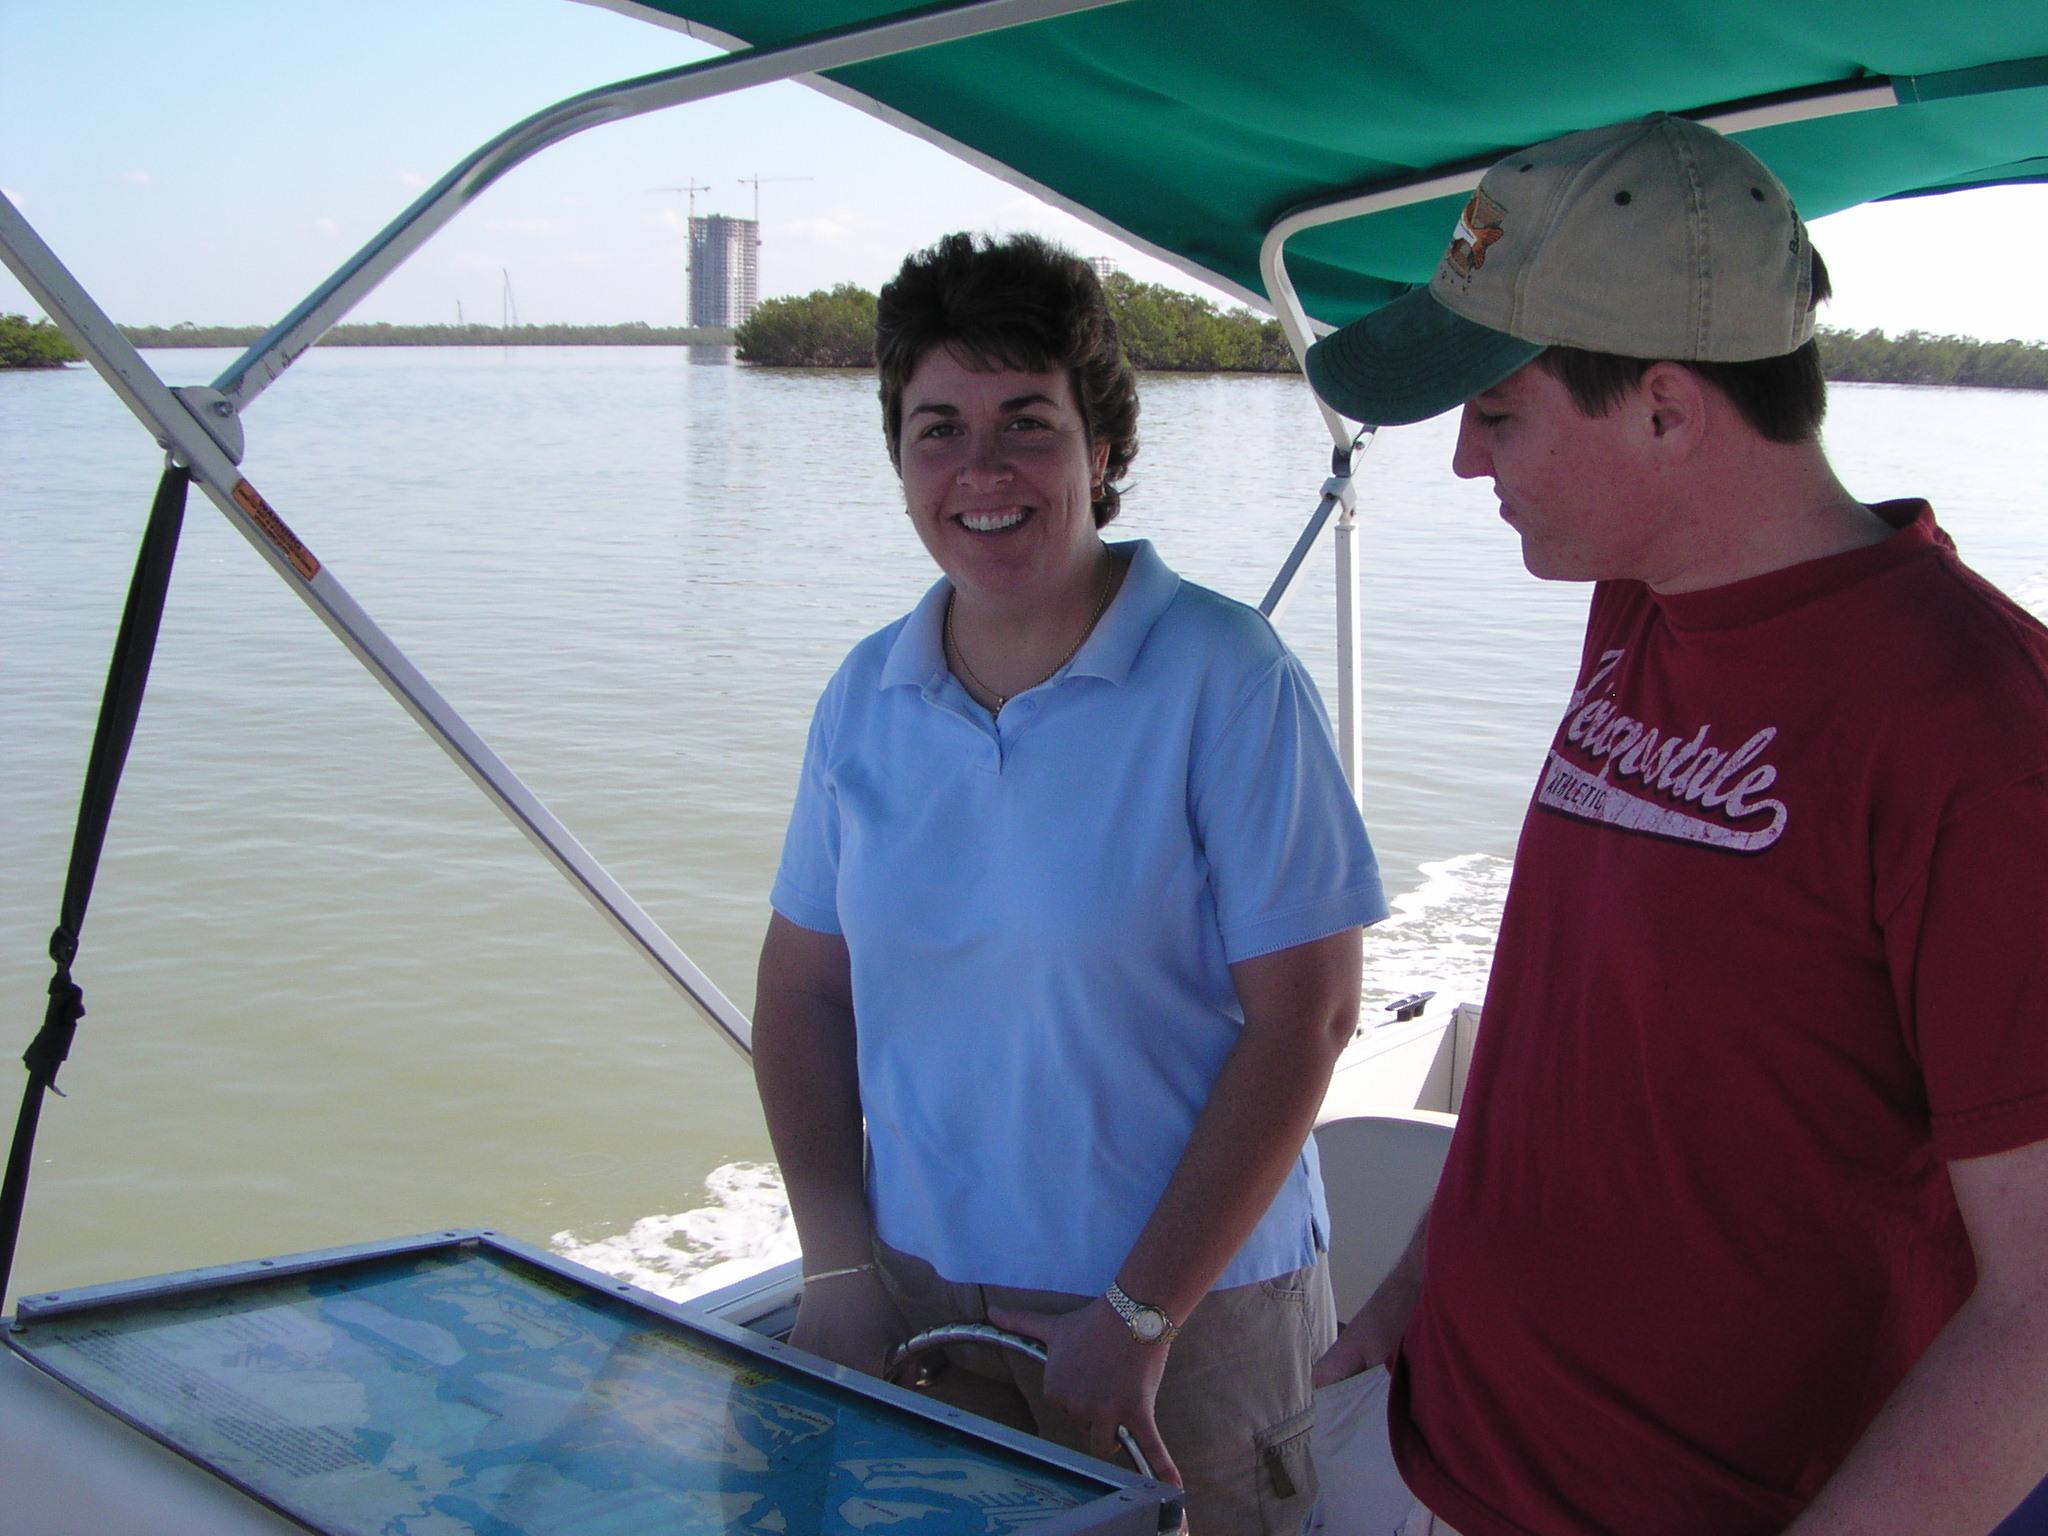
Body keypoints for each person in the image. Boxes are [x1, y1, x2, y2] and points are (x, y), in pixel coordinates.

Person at [1301, 114, 2048, 1536]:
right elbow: (1576, 1026)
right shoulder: (1638, 601)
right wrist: (1409, 1290)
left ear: (1663, 407)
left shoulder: (1980, 737)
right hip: (1438, 1441)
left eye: (1498, 411)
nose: (1465, 461)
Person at [752, 230, 1387, 1535]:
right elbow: (806, 994)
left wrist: (1139, 1314)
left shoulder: (1227, 678)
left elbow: (1306, 1021)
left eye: (1024, 422)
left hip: (1192, 1318)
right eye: (937, 429)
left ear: (1102, 444)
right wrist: (837, 1258)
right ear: (898, 459)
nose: (979, 471)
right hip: (932, 1304)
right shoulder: (865, 697)